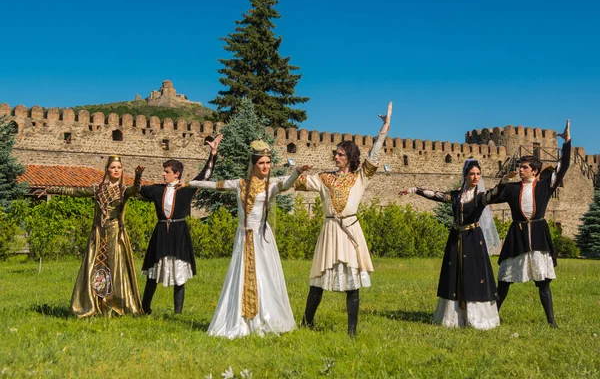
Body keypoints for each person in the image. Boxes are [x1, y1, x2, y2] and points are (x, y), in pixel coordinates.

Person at [185, 140, 311, 338]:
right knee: (240, 275)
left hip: (261, 237)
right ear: (253, 164)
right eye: (262, 163)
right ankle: (240, 320)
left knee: (264, 275)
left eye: (268, 163)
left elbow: (287, 183)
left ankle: (265, 318)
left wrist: (297, 172)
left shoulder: (271, 186)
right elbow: (215, 185)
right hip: (243, 237)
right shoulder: (240, 184)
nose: (265, 167)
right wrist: (190, 183)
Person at [294, 102, 392, 336]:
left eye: (340, 154)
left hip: (350, 229)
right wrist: (296, 173)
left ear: (349, 158)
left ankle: (352, 331)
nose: (336, 157)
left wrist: (384, 130)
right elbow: (299, 183)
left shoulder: (361, 177)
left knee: (352, 283)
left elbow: (374, 156)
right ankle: (306, 323)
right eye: (335, 153)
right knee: (317, 278)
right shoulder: (324, 178)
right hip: (329, 230)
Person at [400, 159, 505, 329]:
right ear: (465, 175)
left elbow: (494, 193)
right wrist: (414, 190)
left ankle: (476, 317)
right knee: (454, 273)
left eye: (478, 174)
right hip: (456, 238)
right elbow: (436, 195)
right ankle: (454, 318)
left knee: (474, 275)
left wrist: (504, 181)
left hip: (473, 239)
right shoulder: (456, 196)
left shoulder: (480, 197)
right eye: (472, 174)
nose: (475, 177)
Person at [39, 156, 145, 317]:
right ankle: (93, 304)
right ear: (107, 170)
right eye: (113, 167)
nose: (116, 170)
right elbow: (75, 191)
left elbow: (135, 190)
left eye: (119, 167)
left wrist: (138, 176)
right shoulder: (97, 189)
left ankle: (116, 304)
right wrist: (52, 189)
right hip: (97, 234)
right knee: (93, 267)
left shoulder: (124, 190)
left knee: (115, 268)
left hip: (115, 234)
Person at [493, 119, 571, 328]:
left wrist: (567, 143)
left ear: (534, 171)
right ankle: (492, 317)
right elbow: (490, 197)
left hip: (537, 235)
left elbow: (562, 168)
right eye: (520, 167)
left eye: (524, 167)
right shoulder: (511, 189)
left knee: (543, 282)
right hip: (516, 235)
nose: (520, 170)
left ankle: (551, 322)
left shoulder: (545, 186)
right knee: (504, 280)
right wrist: (503, 180)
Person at [139, 135, 222, 314]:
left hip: (179, 233)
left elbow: (205, 175)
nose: (163, 174)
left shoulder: (186, 189)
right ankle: (144, 308)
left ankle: (178, 312)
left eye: (167, 171)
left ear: (176, 174)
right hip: (161, 232)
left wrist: (213, 154)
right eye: (164, 171)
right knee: (153, 271)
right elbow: (135, 189)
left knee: (179, 274)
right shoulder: (156, 189)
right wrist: (135, 176)